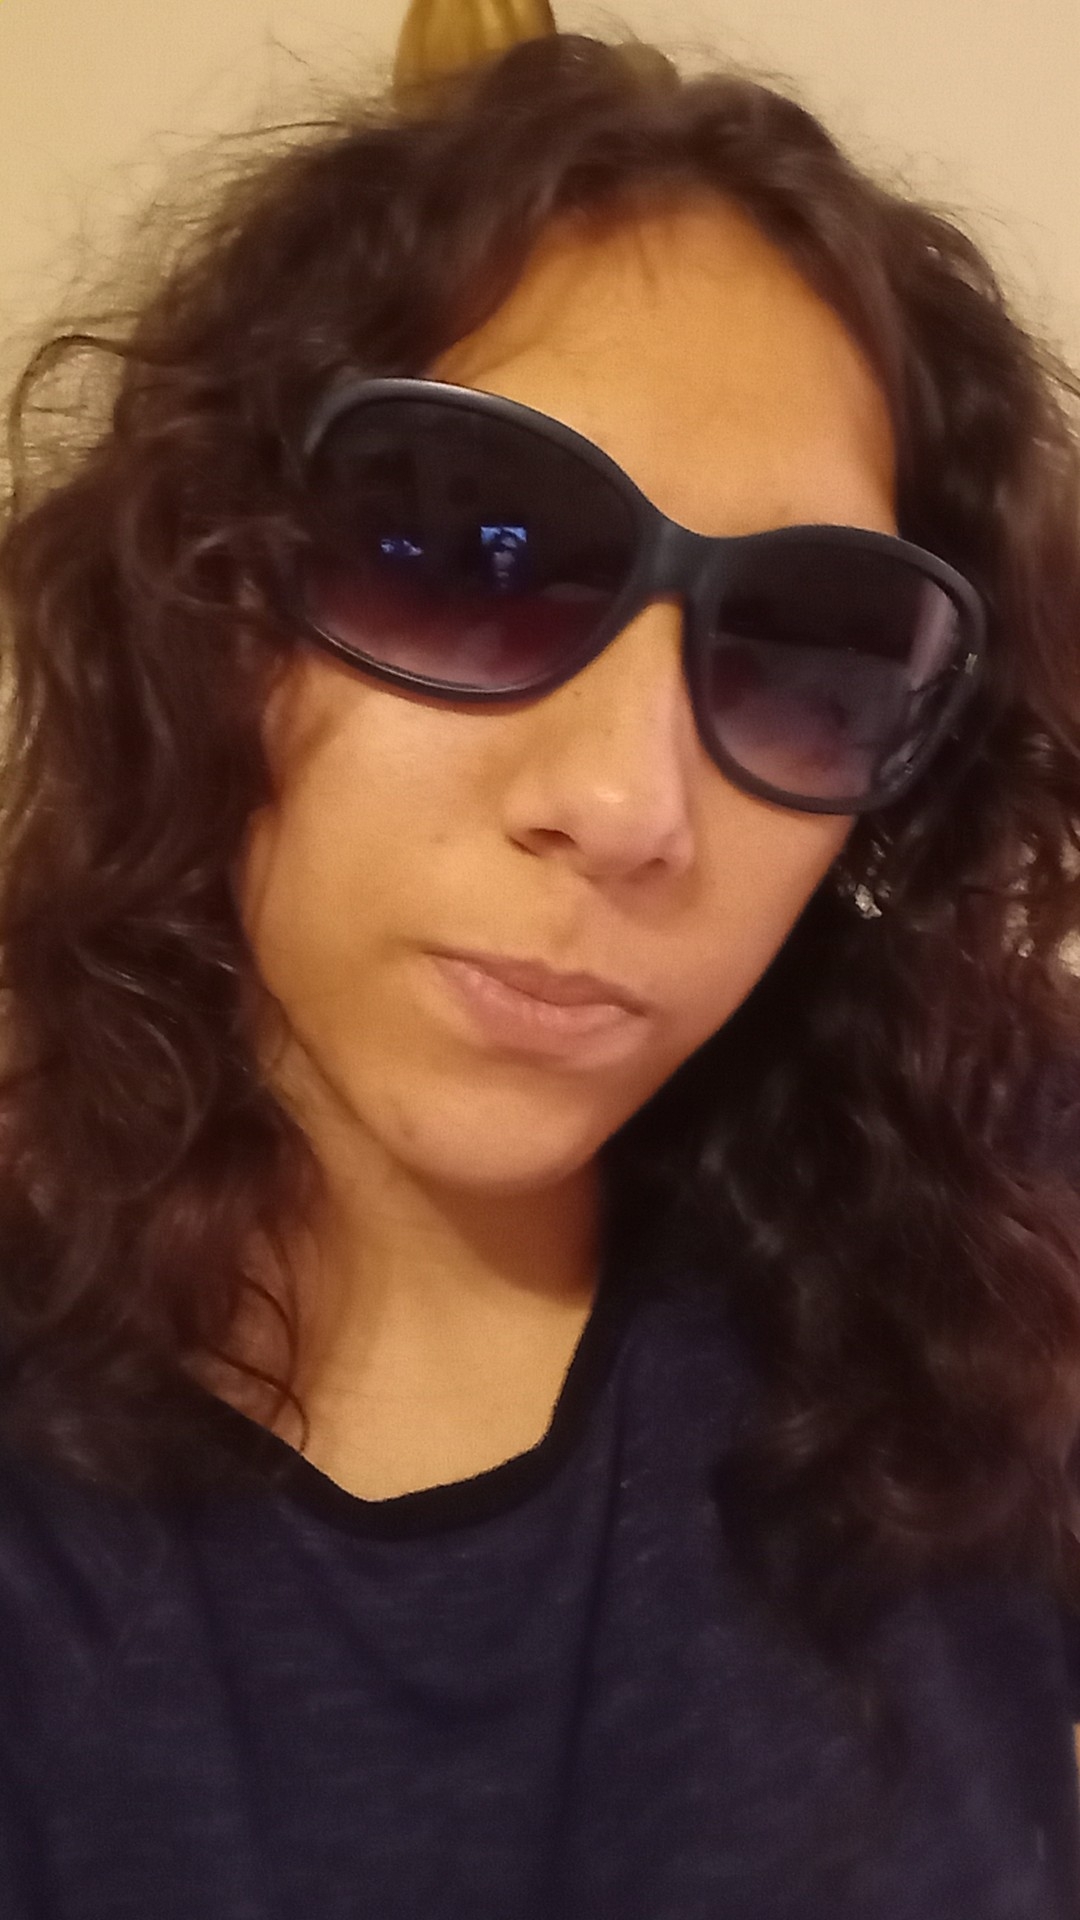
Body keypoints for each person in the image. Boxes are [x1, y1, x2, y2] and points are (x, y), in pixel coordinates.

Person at [0, 7, 1079, 1915]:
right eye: (470, 559)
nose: (632, 805)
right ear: (216, 585)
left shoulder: (999, 1228)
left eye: (812, 650)